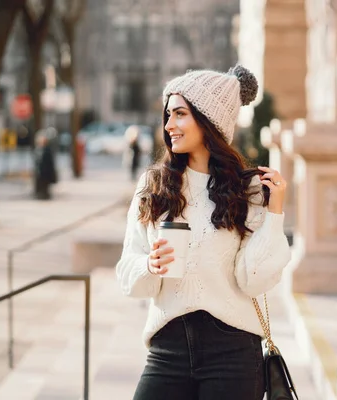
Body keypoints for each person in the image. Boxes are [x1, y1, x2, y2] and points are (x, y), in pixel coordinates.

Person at [116, 65, 291, 400]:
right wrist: (149, 265)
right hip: (168, 348)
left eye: (180, 114)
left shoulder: (248, 188)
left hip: (234, 353)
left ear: (208, 121)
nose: (168, 125)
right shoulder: (153, 186)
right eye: (168, 115)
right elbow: (128, 269)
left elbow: (253, 279)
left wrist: (275, 212)